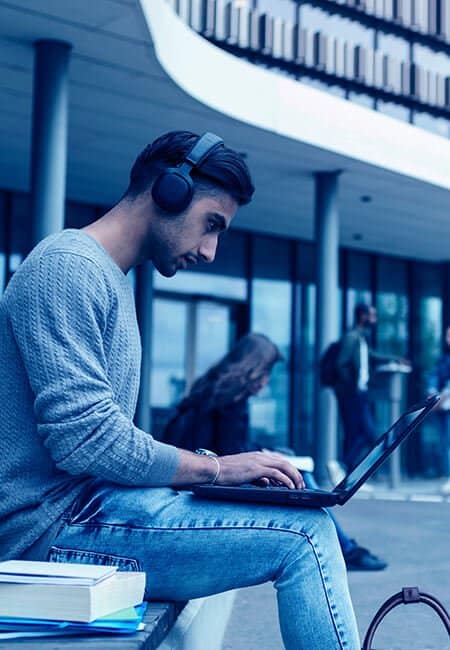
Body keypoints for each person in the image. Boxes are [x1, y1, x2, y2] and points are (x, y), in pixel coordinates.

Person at [0, 130, 360, 649]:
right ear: (168, 190)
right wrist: (216, 467)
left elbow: (100, 445)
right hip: (46, 535)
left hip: (87, 511)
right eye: (211, 224)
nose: (212, 251)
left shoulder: (108, 279)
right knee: (307, 536)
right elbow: (85, 440)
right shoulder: (66, 269)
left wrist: (214, 482)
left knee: (297, 516)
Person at [162, 332, 387, 571]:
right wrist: (265, 458)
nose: (266, 381)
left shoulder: (213, 388)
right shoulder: (230, 399)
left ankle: (347, 549)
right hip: (210, 484)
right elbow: (230, 456)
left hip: (201, 476)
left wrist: (263, 451)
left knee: (290, 464)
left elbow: (227, 446)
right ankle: (348, 551)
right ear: (253, 368)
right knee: (299, 478)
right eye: (266, 373)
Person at [335, 303, 406, 470]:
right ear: (363, 316)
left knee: (358, 434)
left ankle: (346, 472)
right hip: (352, 393)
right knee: (365, 433)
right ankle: (343, 465)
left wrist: (395, 358)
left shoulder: (360, 338)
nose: (375, 319)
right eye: (372, 315)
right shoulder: (352, 337)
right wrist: (352, 387)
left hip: (360, 392)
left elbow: (372, 356)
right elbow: (341, 364)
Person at [427, 326, 450, 494]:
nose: (448, 339)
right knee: (445, 442)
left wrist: (442, 396)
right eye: (447, 335)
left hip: (445, 403)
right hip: (443, 407)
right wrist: (432, 391)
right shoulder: (444, 359)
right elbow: (434, 376)